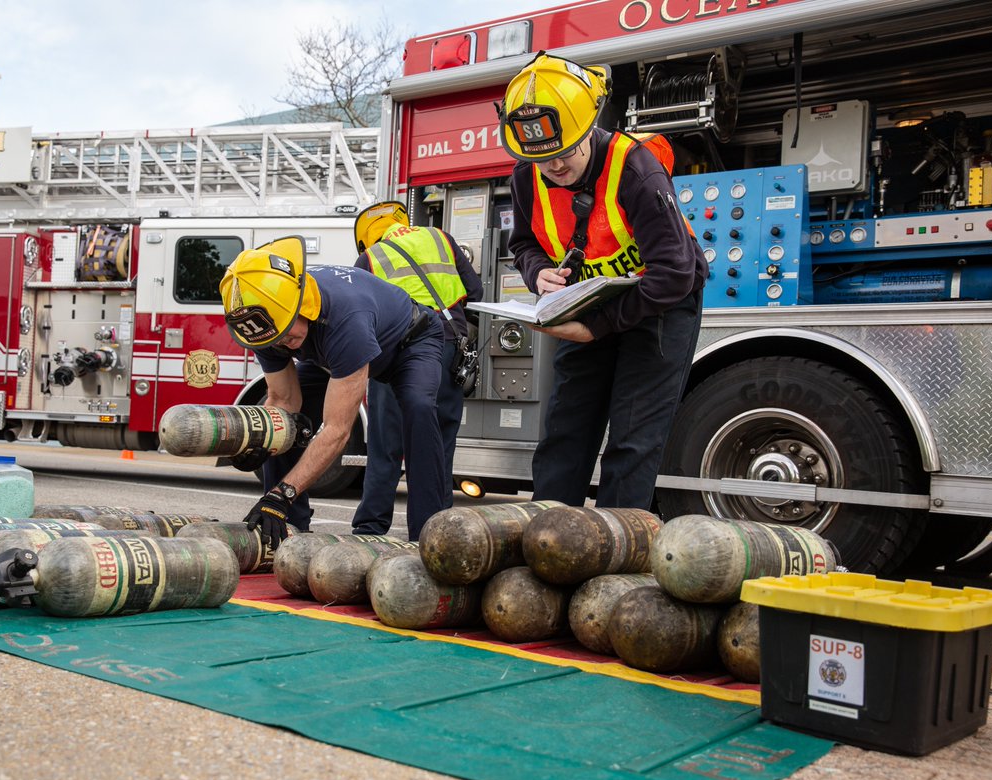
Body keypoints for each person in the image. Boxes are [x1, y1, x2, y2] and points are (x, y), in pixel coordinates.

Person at [496, 52, 707, 509]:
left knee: (632, 440)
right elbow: (524, 244)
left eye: (564, 152)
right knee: (565, 434)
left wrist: (597, 327)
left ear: (587, 129)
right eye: (543, 159)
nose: (554, 167)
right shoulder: (526, 176)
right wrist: (539, 275)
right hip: (588, 303)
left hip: (660, 308)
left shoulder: (636, 169)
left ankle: (615, 559)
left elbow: (674, 274)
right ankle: (548, 542)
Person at [219, 235, 449, 548]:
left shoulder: (346, 319)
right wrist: (257, 443)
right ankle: (287, 527)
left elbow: (337, 431)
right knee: (277, 423)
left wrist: (283, 493)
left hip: (411, 341)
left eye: (286, 335)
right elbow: (284, 401)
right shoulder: (267, 325)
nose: (281, 346)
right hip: (329, 351)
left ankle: (430, 532)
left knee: (418, 407)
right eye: (273, 342)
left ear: (302, 306)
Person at [349, 201, 483, 536]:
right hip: (450, 348)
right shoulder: (442, 239)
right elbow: (475, 293)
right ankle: (434, 529)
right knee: (439, 441)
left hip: (398, 354)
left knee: (386, 445)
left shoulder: (371, 258)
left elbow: (362, 314)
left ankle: (371, 525)